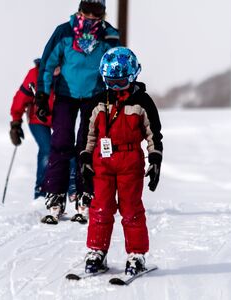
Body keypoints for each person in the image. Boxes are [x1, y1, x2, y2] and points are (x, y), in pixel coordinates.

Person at [35, 0, 121, 224]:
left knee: (87, 145)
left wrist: (116, 97)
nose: (91, 17)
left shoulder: (108, 34)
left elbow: (115, 65)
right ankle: (55, 195)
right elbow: (47, 63)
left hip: (94, 96)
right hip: (66, 95)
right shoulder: (64, 32)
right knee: (61, 142)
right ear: (80, 9)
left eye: (97, 13)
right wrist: (42, 95)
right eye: (88, 11)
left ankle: (85, 194)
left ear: (102, 14)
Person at [79, 47, 163, 276]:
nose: (116, 88)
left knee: (131, 208)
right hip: (102, 162)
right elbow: (88, 134)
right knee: (100, 207)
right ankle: (97, 250)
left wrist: (155, 159)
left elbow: (153, 133)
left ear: (133, 76)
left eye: (121, 82)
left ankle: (136, 254)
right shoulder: (98, 102)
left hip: (130, 162)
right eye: (110, 82)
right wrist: (85, 158)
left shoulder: (142, 102)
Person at [9, 59, 77, 200]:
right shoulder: (35, 74)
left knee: (67, 148)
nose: (57, 70)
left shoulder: (67, 75)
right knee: (47, 149)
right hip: (37, 119)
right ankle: (41, 191)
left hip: (58, 119)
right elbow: (21, 98)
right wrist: (16, 122)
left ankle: (71, 190)